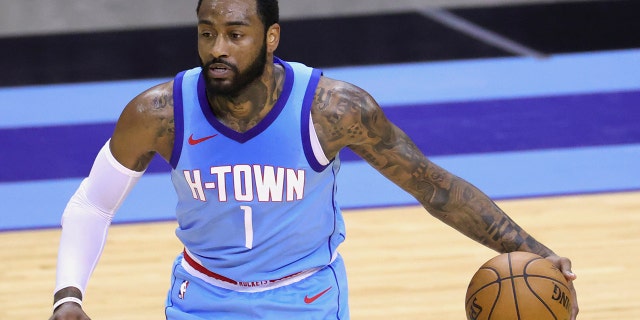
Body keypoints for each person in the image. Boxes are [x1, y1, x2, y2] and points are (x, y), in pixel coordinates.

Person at [49, 0, 579, 319]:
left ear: (270, 37)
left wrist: (534, 251)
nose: (218, 49)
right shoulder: (159, 113)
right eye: (207, 34)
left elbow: (432, 186)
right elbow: (92, 205)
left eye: (235, 34)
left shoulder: (333, 110)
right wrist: (67, 297)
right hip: (202, 298)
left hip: (306, 300)